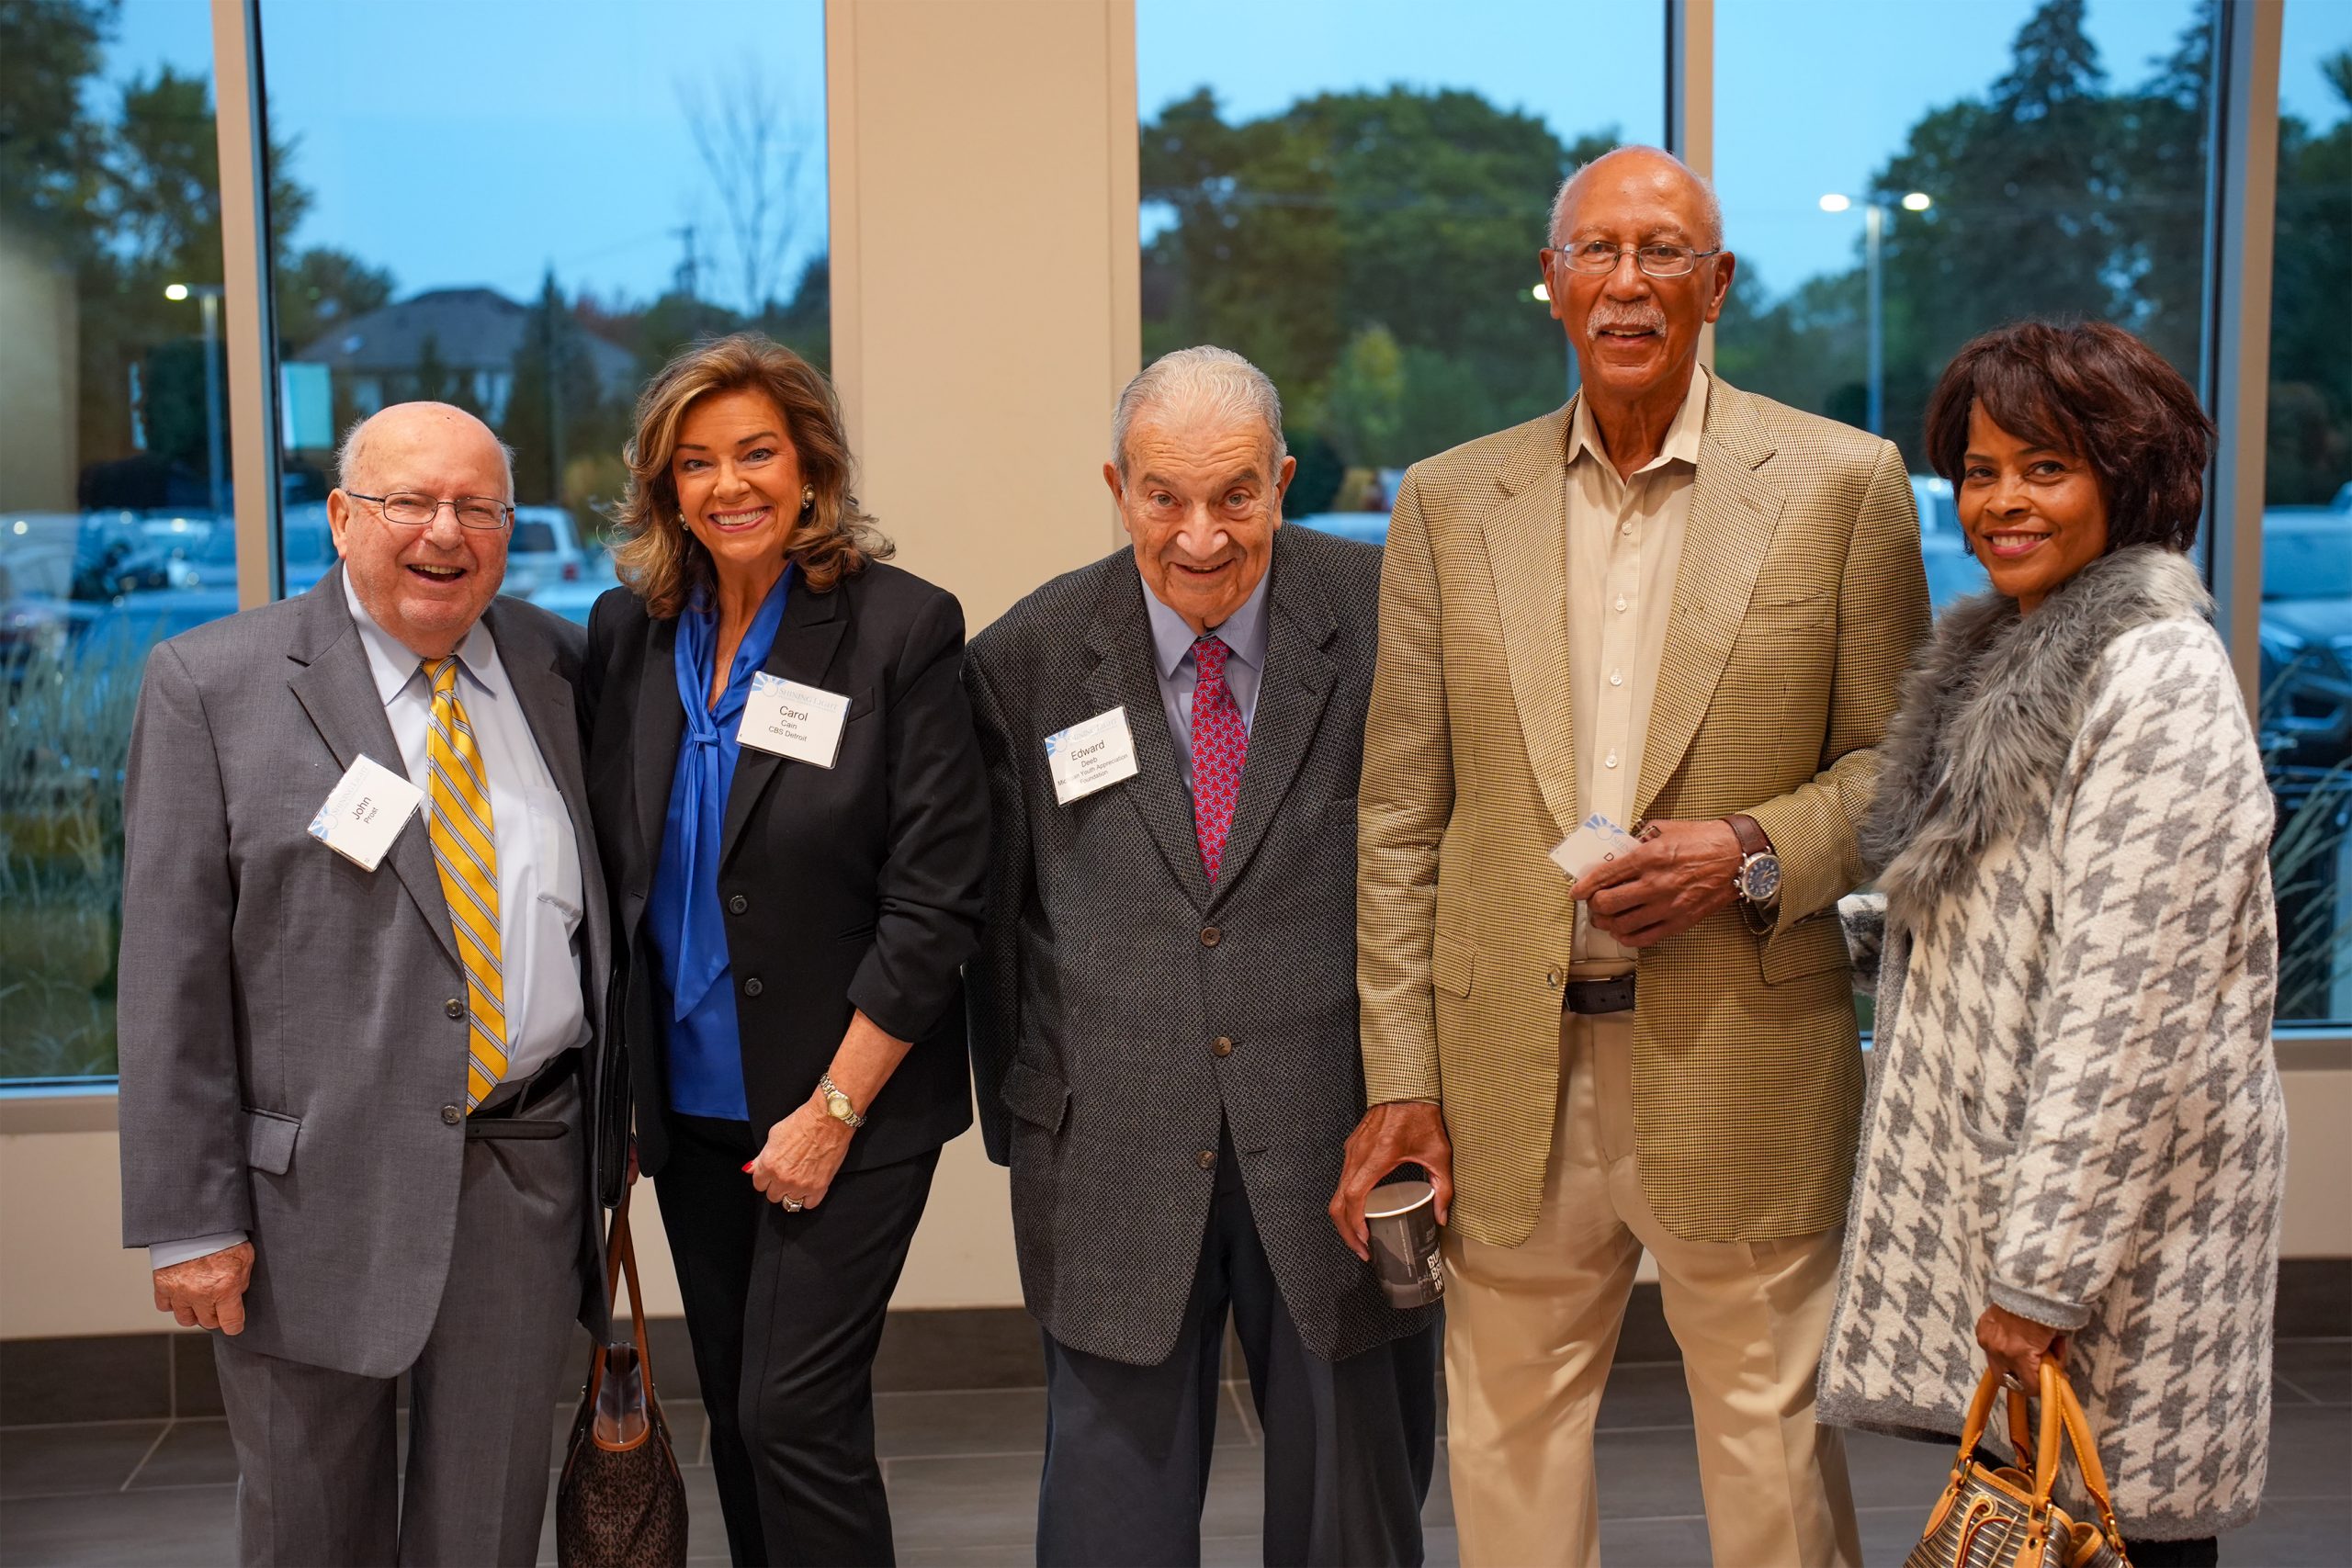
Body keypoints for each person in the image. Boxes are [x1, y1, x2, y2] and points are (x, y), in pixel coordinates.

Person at [1332, 146, 1932, 1568]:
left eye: (1665, 253)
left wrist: (1748, 846)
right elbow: (1400, 818)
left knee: (1774, 1457)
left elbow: (1905, 769)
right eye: (1597, 250)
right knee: (1508, 1458)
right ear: (1553, 284)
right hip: (1508, 1069)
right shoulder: (1448, 501)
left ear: (1716, 285)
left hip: (1746, 1038)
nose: (1628, 280)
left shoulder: (1843, 484)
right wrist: (1404, 1076)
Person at [1819, 321, 2285, 1568]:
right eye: (1980, 470)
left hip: (2113, 1258)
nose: (2002, 501)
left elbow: (2126, 1015)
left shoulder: (2158, 676)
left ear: (2127, 479)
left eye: (2046, 466)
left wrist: (2039, 1282)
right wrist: (1823, 928)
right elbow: (2019, 912)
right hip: (2058, 1232)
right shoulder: (2028, 654)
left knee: (2119, 1535)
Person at [117, 401, 616, 1566]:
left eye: (477, 507)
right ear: (343, 518)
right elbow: (170, 973)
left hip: (524, 1174)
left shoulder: (559, 665)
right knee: (308, 1528)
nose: (445, 532)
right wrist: (190, 1219)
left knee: (485, 1529)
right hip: (307, 1201)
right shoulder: (214, 684)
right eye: (409, 502)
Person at [965, 346, 1440, 1568]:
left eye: (1236, 493)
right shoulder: (1028, 653)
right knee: (1106, 1521)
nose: (1201, 534)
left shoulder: (1391, 613)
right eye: (1164, 495)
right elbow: (1000, 915)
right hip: (1114, 1142)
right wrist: (1033, 1114)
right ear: (1117, 486)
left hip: (1340, 1140)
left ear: (1283, 480)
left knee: (1354, 1516)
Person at [582, 333, 988, 1567]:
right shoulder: (628, 632)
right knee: (742, 1421)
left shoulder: (898, 629)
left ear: (812, 464)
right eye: (695, 462)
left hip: (844, 1098)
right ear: (665, 487)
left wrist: (832, 1105)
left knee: (792, 1414)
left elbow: (938, 899)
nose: (729, 484)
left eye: (757, 450)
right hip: (693, 1110)